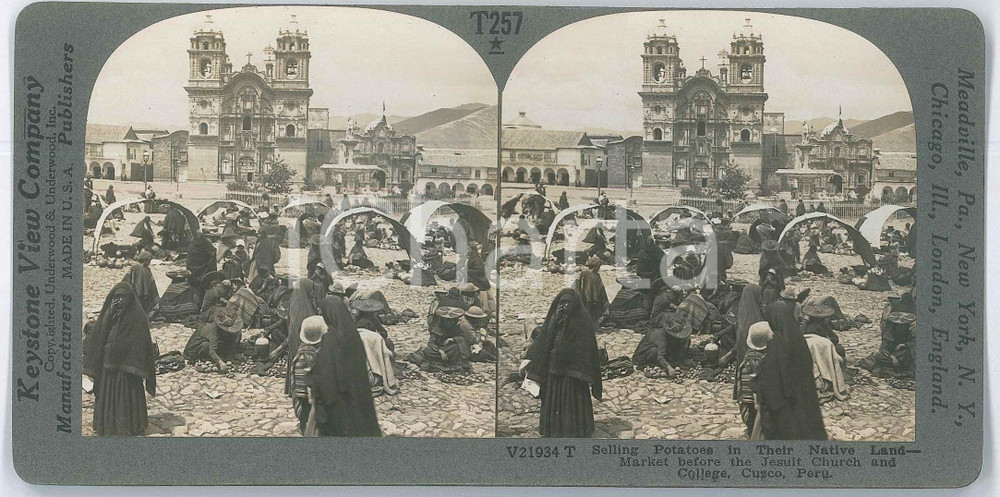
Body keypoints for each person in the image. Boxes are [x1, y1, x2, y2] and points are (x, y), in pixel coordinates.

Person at [525, 289, 602, 438]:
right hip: (555, 369)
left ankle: (576, 429)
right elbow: (544, 341)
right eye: (562, 303)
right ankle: (554, 428)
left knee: (573, 400)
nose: (565, 306)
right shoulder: (554, 319)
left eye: (568, 303)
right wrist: (555, 320)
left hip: (574, 373)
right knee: (555, 399)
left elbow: (588, 348)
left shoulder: (583, 321)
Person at [83, 282, 157, 436]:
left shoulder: (137, 316)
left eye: (123, 297)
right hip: (108, 366)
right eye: (117, 297)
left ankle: (131, 424)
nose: (120, 301)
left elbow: (141, 343)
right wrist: (109, 314)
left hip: (127, 369)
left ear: (130, 298)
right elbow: (98, 335)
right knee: (108, 395)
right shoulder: (109, 314)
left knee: (126, 395)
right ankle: (108, 424)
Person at [751, 300, 827, 440]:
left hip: (783, 411)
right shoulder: (799, 341)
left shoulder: (776, 346)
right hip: (803, 402)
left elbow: (771, 385)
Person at [305, 296, 381, 437]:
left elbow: (325, 376)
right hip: (357, 397)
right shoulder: (354, 337)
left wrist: (311, 376)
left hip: (337, 402)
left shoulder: (331, 339)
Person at [404, 307, 474, 372]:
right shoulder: (437, 329)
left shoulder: (456, 328)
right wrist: (441, 351)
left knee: (456, 347)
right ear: (443, 321)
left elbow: (463, 338)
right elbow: (431, 343)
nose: (450, 323)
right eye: (448, 321)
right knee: (427, 351)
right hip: (438, 351)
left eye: (452, 321)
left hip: (450, 349)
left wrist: (453, 339)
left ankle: (455, 362)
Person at [291, 315, 326, 435]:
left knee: (304, 412)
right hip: (313, 393)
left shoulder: (301, 352)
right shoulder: (317, 354)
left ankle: (304, 426)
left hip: (302, 391)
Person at [738, 322, 772, 439]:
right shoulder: (765, 361)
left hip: (749, 401)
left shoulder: (746, 360)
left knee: (752, 421)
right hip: (762, 403)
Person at [732, 283, 765, 400]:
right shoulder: (753, 314)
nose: (761, 298)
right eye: (759, 295)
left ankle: (740, 391)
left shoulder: (743, 310)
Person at [573, 256, 609, 323]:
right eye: (599, 266)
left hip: (581, 297)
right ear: (595, 266)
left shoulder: (582, 273)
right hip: (591, 300)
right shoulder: (595, 276)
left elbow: (576, 285)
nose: (599, 268)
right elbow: (600, 291)